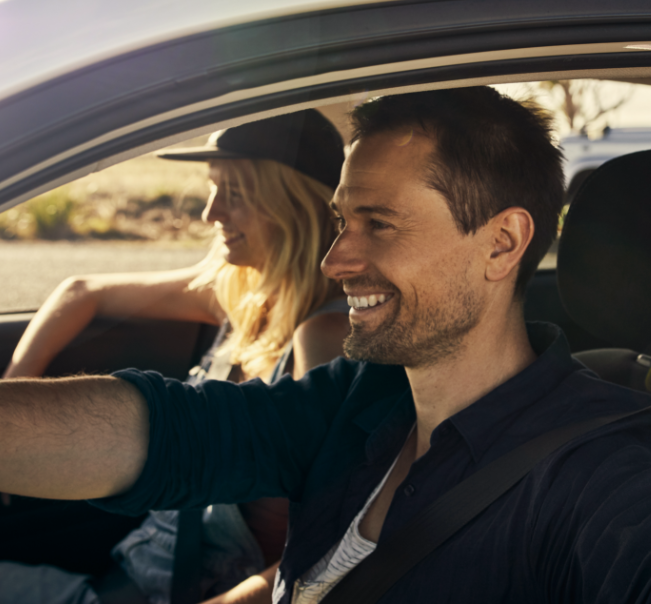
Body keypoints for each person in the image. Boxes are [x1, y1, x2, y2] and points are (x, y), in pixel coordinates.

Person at [2, 87, 651, 603]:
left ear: (501, 244)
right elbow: (173, 431)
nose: (336, 259)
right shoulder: (355, 398)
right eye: (343, 221)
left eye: (378, 224)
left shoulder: (602, 474)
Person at [0, 110, 349, 603]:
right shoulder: (240, 292)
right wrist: (14, 395)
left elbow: (331, 544)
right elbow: (81, 291)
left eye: (237, 193)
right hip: (130, 575)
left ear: (294, 205)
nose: (211, 213)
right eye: (212, 188)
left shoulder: (323, 337)